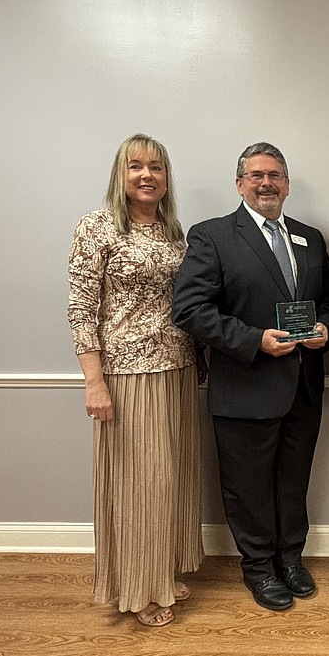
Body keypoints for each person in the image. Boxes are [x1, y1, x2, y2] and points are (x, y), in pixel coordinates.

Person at [173, 142, 329, 612]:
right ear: (240, 183)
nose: (266, 183)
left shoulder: (310, 237)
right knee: (247, 487)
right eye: (256, 175)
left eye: (275, 175)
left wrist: (326, 328)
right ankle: (259, 568)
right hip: (245, 387)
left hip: (303, 388)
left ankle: (291, 560)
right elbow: (188, 309)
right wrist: (254, 340)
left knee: (293, 481)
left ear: (287, 184)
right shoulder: (212, 236)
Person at [68, 133, 203, 627]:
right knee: (137, 484)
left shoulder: (173, 233)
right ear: (120, 174)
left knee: (169, 479)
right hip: (127, 374)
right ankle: (138, 588)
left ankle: (159, 569)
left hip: (179, 368)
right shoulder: (97, 227)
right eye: (136, 167)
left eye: (157, 168)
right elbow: (81, 310)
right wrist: (94, 381)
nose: (147, 176)